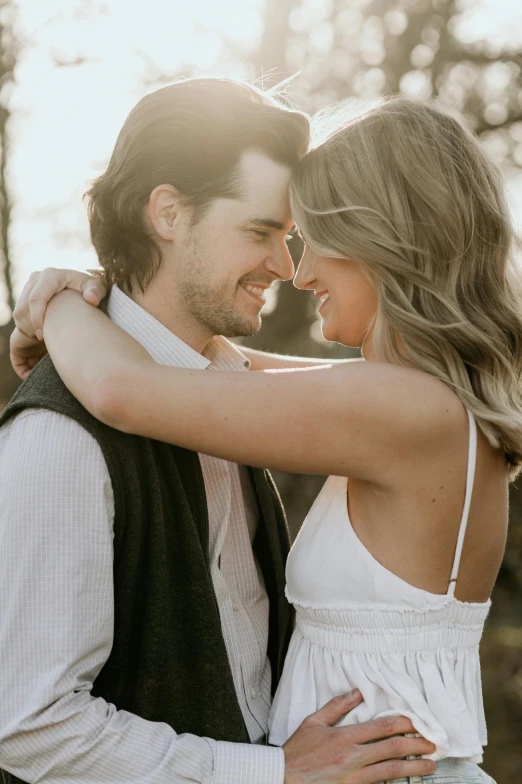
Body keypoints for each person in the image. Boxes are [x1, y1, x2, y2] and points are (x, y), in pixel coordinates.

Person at [11, 95, 517, 784]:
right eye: (265, 232)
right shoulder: (417, 397)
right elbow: (225, 371)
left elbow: (124, 388)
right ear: (166, 214)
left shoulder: (401, 406)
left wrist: (58, 304)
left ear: (385, 241)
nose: (295, 271)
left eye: (311, 239)